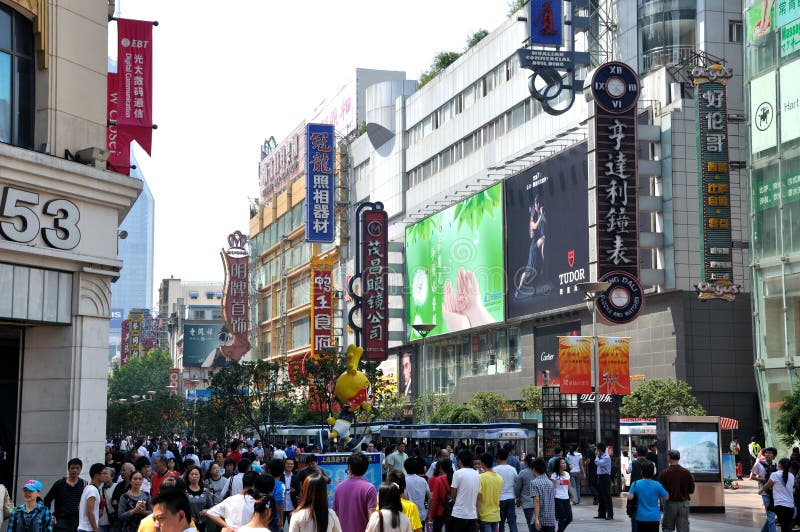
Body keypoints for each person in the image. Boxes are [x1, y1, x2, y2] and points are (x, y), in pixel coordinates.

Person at [332, 453, 377, 532]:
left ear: (349, 467)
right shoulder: (370, 488)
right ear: (366, 469)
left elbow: (335, 516)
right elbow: (372, 519)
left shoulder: (338, 488)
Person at [45, 458, 87, 532]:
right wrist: (49, 516)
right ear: (68, 469)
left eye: (77, 468)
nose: (75, 470)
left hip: (78, 523)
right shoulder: (59, 484)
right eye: (72, 468)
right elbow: (47, 499)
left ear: (81, 469)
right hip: (61, 522)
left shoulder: (84, 484)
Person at [625, 461, 667, 532]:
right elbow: (666, 497)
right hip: (654, 517)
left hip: (641, 516)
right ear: (652, 472)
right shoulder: (657, 484)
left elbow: (630, 497)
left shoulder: (635, 484)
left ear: (641, 472)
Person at [658, 450, 694, 532]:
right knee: (683, 529)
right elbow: (691, 490)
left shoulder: (664, 473)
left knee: (668, 528)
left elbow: (661, 491)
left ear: (669, 458)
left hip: (669, 504)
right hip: (684, 504)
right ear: (679, 458)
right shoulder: (686, 472)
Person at [760, 457, 795, 532]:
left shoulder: (775, 475)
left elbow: (767, 486)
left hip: (780, 506)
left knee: (784, 528)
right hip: (790, 506)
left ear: (779, 465)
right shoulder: (792, 476)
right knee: (787, 527)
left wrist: (761, 490)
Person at [450, 450, 480, 531]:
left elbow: (453, 494)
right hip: (472, 515)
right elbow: (478, 496)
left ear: (460, 461)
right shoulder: (477, 475)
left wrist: (456, 502)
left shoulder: (457, 473)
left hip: (458, 513)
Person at [751, 446, 778, 532]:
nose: (768, 454)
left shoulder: (776, 465)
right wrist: (761, 479)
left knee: (771, 516)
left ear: (774, 456)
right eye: (766, 453)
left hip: (775, 493)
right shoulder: (759, 464)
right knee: (771, 515)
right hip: (765, 493)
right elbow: (752, 476)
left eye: (770, 453)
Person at [493, 448, 518, 532]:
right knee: (512, 522)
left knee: (500, 522)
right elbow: (516, 482)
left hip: (499, 499)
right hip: (510, 498)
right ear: (507, 457)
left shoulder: (495, 470)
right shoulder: (512, 469)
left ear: (498, 457)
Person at [477, 453, 502, 532]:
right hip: (496, 515)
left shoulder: (481, 477)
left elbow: (479, 499)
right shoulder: (499, 478)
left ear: (483, 464)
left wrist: (476, 514)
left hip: (485, 515)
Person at [78, 464, 108, 532]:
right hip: (88, 529)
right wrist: (95, 529)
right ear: (96, 475)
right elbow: (90, 512)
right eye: (104, 473)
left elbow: (80, 507)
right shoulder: (92, 490)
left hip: (84, 528)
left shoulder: (88, 488)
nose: (106, 475)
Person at [529, 458, 556, 532]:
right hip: (551, 519)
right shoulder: (550, 483)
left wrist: (536, 518)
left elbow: (536, 501)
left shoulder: (534, 483)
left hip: (540, 519)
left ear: (534, 469)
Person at [183, 466, 212, 532]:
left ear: (200, 476)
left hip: (204, 524)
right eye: (192, 474)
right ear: (188, 476)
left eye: (196, 474)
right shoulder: (184, 492)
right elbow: (180, 509)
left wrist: (206, 511)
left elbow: (211, 507)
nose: (194, 476)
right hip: (189, 525)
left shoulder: (206, 491)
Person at [428, 459, 452, 532]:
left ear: (441, 468)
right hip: (452, 512)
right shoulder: (455, 478)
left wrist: (432, 515)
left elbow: (435, 500)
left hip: (440, 512)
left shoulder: (438, 480)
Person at [550, 458, 574, 531]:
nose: (564, 464)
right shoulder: (554, 475)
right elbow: (552, 488)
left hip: (566, 498)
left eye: (565, 463)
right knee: (562, 518)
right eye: (562, 463)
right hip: (557, 498)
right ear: (558, 465)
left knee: (569, 518)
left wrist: (572, 497)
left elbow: (569, 486)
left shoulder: (567, 474)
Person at [403, 458, 430, 525]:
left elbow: (404, 498)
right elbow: (430, 498)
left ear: (405, 468)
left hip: (408, 516)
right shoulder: (423, 481)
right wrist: (429, 514)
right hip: (422, 515)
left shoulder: (403, 481)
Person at [514, 454, 535, 532]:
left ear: (526, 462)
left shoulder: (523, 473)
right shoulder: (540, 472)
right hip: (540, 502)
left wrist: (518, 498)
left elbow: (517, 488)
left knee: (530, 524)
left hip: (527, 503)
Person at [594, 443, 612, 520]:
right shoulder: (601, 457)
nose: (596, 451)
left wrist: (596, 456)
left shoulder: (606, 457)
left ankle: (610, 514)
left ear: (600, 450)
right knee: (600, 496)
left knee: (607, 496)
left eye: (597, 449)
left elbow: (597, 463)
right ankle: (601, 513)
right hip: (600, 477)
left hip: (605, 477)